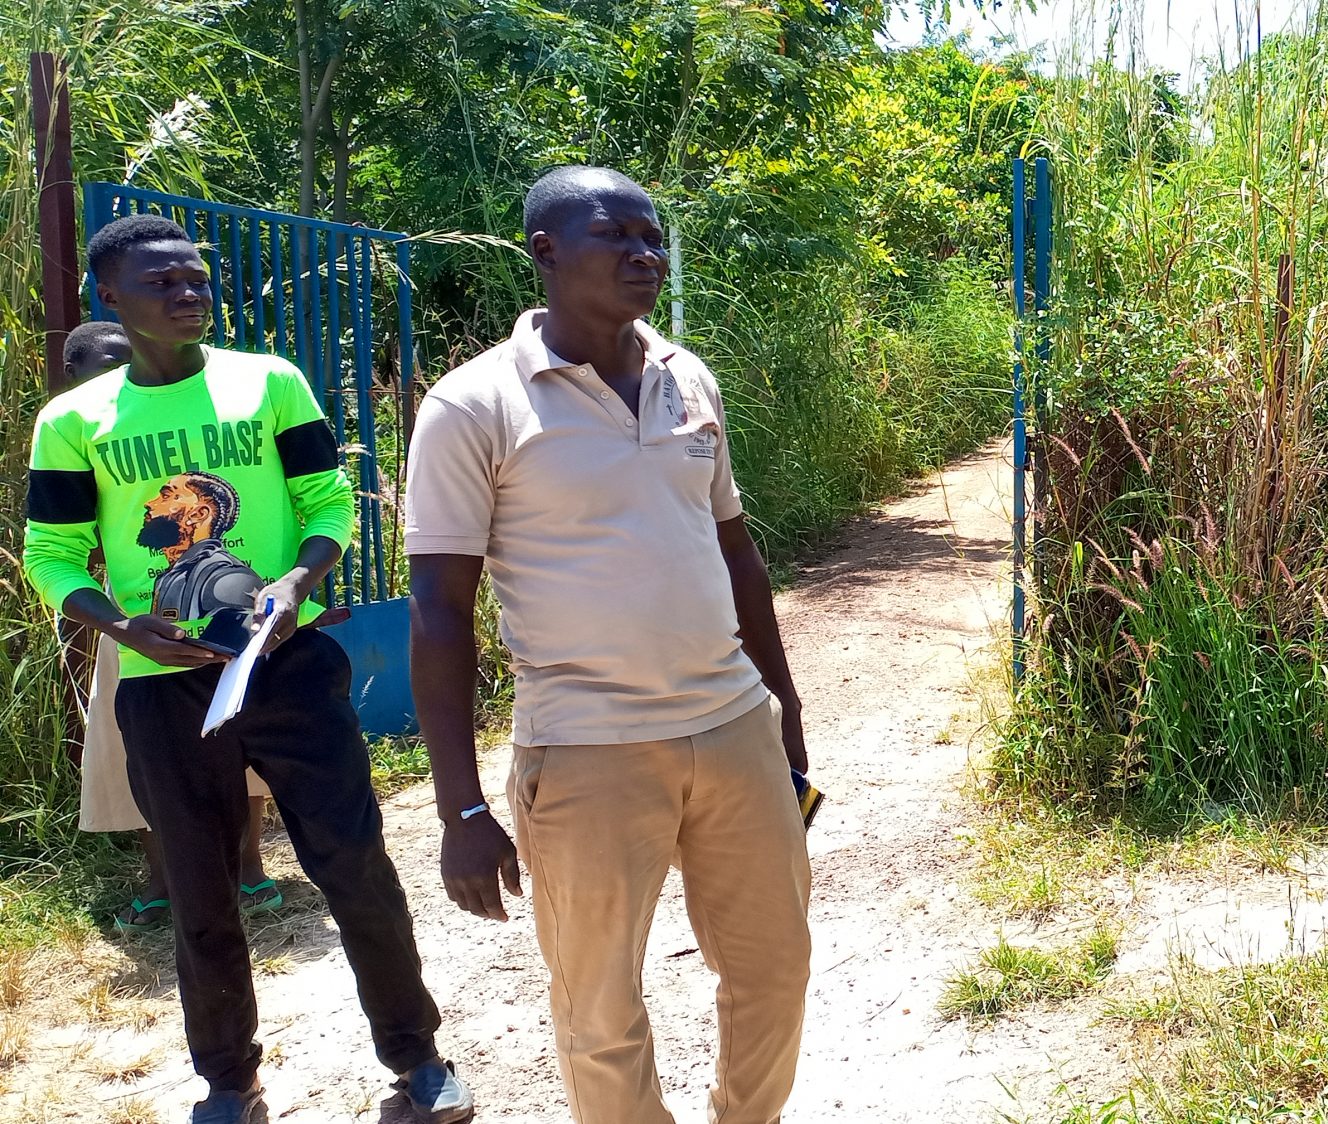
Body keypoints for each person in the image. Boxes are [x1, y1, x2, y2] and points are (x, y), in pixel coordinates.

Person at [22, 214, 475, 1124]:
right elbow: (53, 554)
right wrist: (123, 627)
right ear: (110, 297)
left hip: (288, 661)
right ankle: (229, 1081)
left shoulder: (267, 384)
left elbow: (327, 499)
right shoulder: (73, 422)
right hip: (162, 687)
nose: (189, 294)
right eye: (164, 284)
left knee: (355, 865)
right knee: (200, 890)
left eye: (197, 279)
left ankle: (417, 1059)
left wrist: (293, 585)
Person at [404, 165, 812, 1124]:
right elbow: (438, 612)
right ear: (545, 251)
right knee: (601, 1007)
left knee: (775, 973)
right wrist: (458, 807)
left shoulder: (686, 375)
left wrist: (784, 712)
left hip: (732, 729)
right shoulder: (474, 407)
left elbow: (736, 555)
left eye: (653, 236)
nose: (645, 254)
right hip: (585, 753)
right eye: (616, 235)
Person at [54, 321, 283, 936]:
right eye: (101, 368)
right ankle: (164, 879)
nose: (121, 376)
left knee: (237, 727)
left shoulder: (202, 415)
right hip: (128, 619)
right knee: (136, 747)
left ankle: (250, 868)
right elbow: (59, 544)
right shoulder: (76, 429)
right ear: (73, 378)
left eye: (124, 361)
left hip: (220, 608)